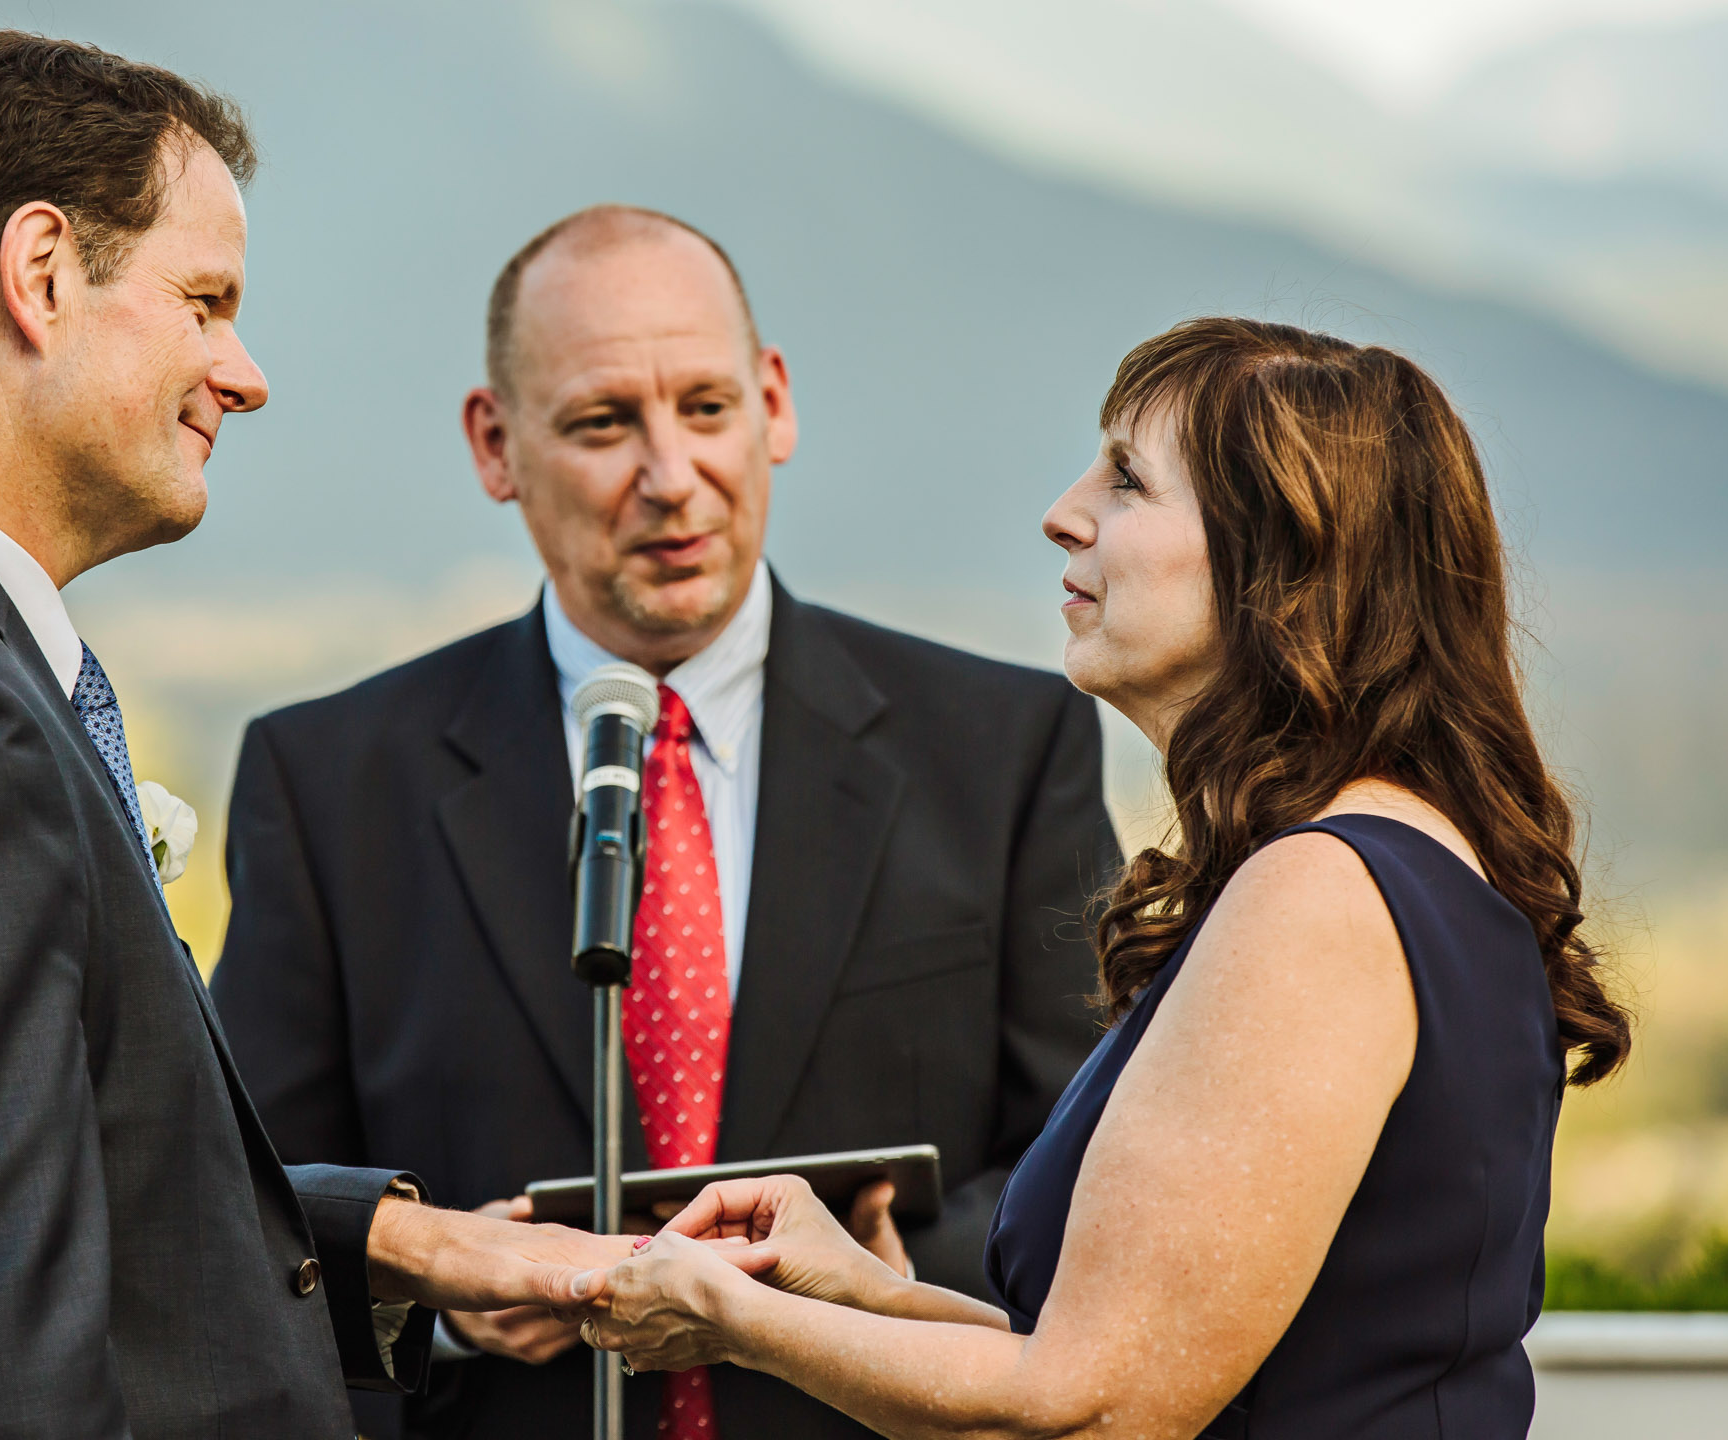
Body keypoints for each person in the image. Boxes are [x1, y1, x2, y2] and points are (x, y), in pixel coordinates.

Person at [0, 34, 622, 1439]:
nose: (245, 373)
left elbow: (16, 1185)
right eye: (204, 301)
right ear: (39, 275)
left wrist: (391, 1244)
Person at [572, 317, 1634, 1439]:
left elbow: (1095, 1415)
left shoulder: (1319, 894)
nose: (1063, 512)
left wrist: (723, 1316)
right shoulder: (1372, 868)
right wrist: (862, 1290)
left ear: (1285, 557)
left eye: (1127, 478)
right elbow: (1132, 1360)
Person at [209, 204, 1120, 1440]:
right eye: (602, 423)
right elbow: (244, 1218)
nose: (670, 475)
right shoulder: (328, 783)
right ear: (495, 444)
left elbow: (1093, 1163)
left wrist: (861, 1281)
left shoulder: (1003, 749)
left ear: (775, 404)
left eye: (705, 408)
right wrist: (432, 1284)